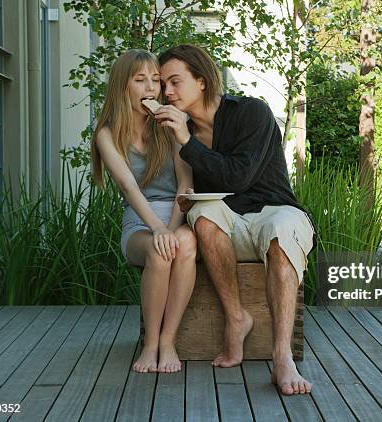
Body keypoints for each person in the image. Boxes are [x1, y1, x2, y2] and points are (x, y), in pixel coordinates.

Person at [155, 44, 315, 395]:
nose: (167, 92)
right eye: (163, 83)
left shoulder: (251, 113)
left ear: (202, 80)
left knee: (283, 231)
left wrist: (185, 140)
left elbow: (238, 178)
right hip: (228, 221)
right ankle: (236, 318)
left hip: (274, 210)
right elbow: (197, 192)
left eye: (175, 81)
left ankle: (282, 357)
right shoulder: (182, 131)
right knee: (203, 214)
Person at [91, 49, 196, 373]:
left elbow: (185, 181)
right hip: (140, 220)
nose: (151, 88)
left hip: (178, 213)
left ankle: (168, 341)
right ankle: (150, 344)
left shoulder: (171, 124)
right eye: (141, 80)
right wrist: (158, 230)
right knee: (158, 250)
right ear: (124, 87)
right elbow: (128, 187)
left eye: (155, 80)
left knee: (186, 245)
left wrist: (173, 227)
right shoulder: (107, 134)